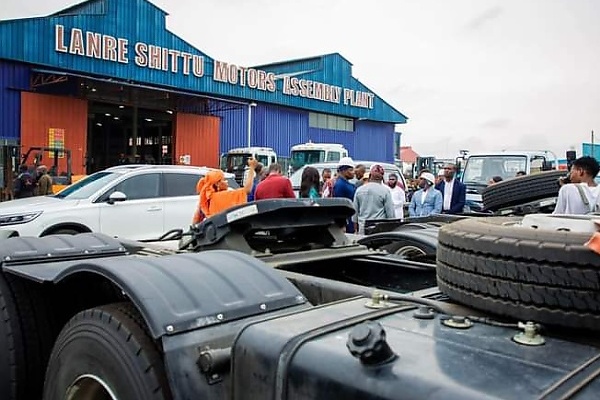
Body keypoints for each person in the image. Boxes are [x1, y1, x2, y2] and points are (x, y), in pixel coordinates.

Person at [192, 158, 257, 223]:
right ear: (217, 184)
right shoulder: (223, 196)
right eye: (224, 179)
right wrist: (252, 168)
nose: (226, 181)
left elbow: (196, 220)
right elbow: (247, 189)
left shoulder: (206, 199)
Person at [353, 165, 395, 234]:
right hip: (379, 229)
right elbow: (390, 215)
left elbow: (355, 214)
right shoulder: (385, 191)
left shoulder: (359, 190)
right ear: (382, 178)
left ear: (369, 176)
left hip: (363, 228)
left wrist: (356, 230)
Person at [332, 157, 356, 233]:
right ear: (344, 170)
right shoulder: (340, 185)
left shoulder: (347, 184)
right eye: (351, 170)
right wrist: (343, 224)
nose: (353, 172)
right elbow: (339, 206)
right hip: (346, 222)